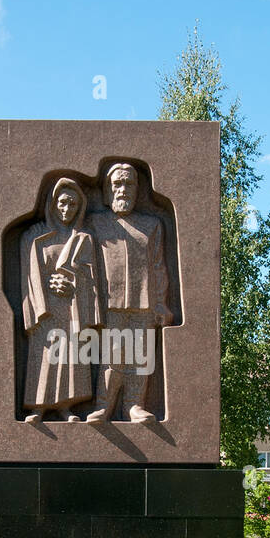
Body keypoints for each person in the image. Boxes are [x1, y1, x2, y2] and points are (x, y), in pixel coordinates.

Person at [86, 162, 173, 423]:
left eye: (129, 184)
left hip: (144, 303)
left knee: (140, 358)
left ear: (137, 190)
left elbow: (158, 266)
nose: (123, 190)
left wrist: (161, 302)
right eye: (117, 184)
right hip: (109, 303)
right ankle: (104, 407)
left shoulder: (152, 224)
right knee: (112, 356)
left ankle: (135, 406)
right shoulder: (95, 222)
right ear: (107, 190)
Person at [20, 177, 101, 422]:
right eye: (63, 203)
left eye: (73, 204)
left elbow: (92, 277)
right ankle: (39, 408)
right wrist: (47, 285)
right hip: (45, 308)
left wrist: (74, 283)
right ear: (53, 204)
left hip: (72, 308)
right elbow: (29, 272)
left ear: (79, 208)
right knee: (43, 357)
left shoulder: (82, 238)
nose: (67, 209)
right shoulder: (36, 236)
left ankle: (66, 407)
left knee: (69, 359)